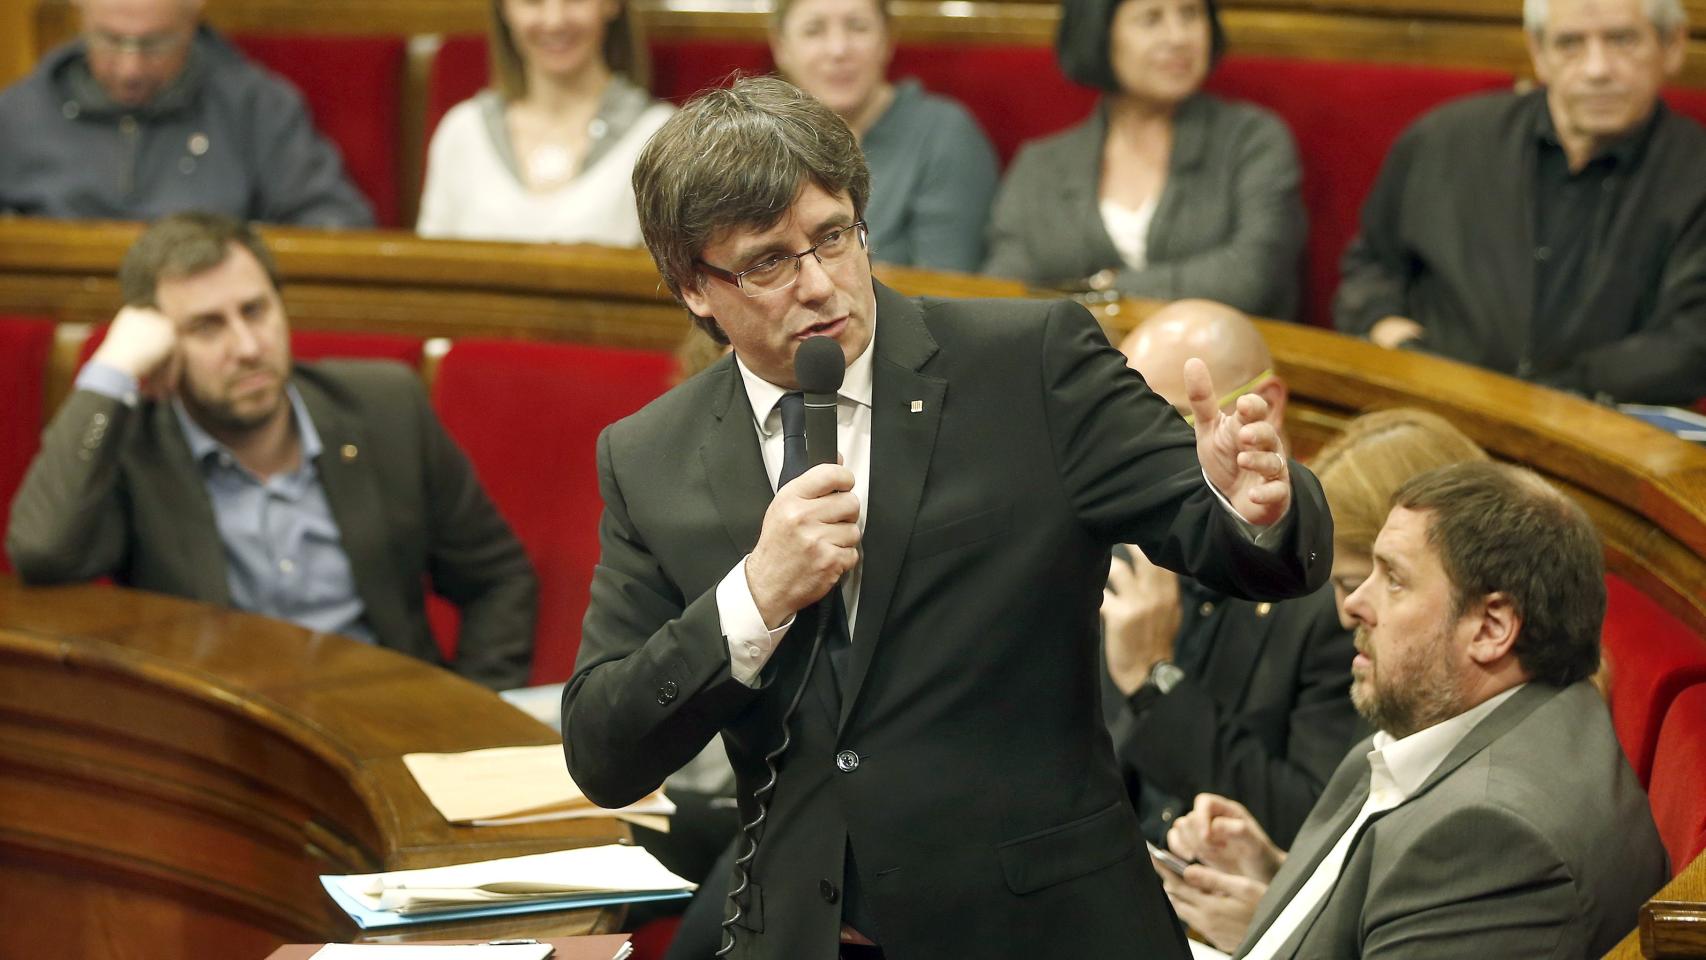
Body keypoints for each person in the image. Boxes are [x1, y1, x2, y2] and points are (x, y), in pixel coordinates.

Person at [562, 75, 1332, 960]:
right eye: (770, 261)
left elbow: (1236, 545)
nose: (820, 285)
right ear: (695, 288)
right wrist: (754, 598)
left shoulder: (1029, 364)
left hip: (1041, 932)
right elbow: (604, 748)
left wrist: (1252, 503)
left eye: (833, 236)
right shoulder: (650, 455)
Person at [1157, 461, 1667, 959]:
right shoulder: (1491, 724)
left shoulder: (1494, 839)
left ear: (1491, 629)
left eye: (1394, 579)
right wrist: (1282, 877)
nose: (1354, 603)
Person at [5, 213, 535, 691]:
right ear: (164, 346)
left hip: (392, 726)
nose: (248, 347)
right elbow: (42, 551)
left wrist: (473, 715)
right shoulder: (134, 450)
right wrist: (113, 367)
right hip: (223, 753)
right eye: (207, 326)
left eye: (255, 311)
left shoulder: (384, 408)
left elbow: (497, 579)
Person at [1334, 0, 1706, 405]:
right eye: (1570, 43)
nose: (1597, 69)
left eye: (1622, 39)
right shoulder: (1445, 139)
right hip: (1430, 409)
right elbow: (1371, 265)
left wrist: (1548, 395)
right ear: (1538, 53)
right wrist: (1387, 329)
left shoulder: (1696, 172)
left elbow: (1691, 341)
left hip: (1606, 435)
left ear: (1672, 46)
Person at [1102, 300, 1362, 850]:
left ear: (1266, 405)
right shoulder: (1119, 547)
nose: (1136, 453)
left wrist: (1154, 682)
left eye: (1168, 419)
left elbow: (1313, 823)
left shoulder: (1343, 589)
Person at [983, 0, 1305, 319]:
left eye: (1191, 14)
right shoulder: (1041, 165)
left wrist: (1104, 289)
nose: (1179, 37)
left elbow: (1250, 280)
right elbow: (1002, 295)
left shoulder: (1252, 140)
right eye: (1151, 19)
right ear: (1099, 34)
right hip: (1068, 366)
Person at [0, 0, 373, 227]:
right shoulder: (17, 114)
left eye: (155, 43)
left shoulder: (258, 108)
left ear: (193, 17)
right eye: (110, 39)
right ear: (78, 12)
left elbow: (336, 225)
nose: (131, 69)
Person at [416, 0, 673, 244]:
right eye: (532, 1)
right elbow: (427, 273)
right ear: (504, 9)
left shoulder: (661, 137)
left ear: (611, 4)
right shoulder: (462, 130)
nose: (554, 21)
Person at [770, 0, 999, 272]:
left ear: (887, 40)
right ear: (781, 47)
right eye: (814, 30)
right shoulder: (763, 140)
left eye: (858, 27)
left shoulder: (945, 133)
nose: (838, 49)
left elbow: (946, 292)